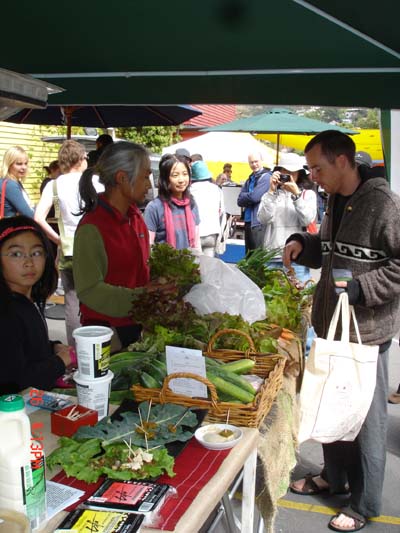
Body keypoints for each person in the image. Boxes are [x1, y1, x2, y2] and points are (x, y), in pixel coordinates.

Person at [284, 130, 400, 532]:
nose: (312, 175)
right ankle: (334, 479)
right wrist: (303, 243)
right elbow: (331, 249)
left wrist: (363, 289)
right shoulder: (335, 198)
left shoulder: (384, 204)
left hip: (367, 331)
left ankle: (364, 503)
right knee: (330, 407)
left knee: (366, 422)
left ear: (343, 161)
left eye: (317, 167)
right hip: (332, 325)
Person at [73, 141, 153, 350]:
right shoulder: (92, 227)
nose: (150, 185)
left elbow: (142, 270)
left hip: (137, 324)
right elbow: (90, 290)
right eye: (145, 176)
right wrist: (144, 297)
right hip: (107, 333)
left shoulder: (136, 218)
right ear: (122, 178)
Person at [0, 216, 75, 394]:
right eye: (16, 254)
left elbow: (23, 345)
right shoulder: (6, 312)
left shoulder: (24, 301)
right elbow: (17, 381)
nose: (29, 262)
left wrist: (53, 347)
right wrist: (61, 360)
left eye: (36, 253)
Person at [34, 140, 96, 346]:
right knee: (97, 297)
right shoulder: (94, 181)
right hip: (95, 247)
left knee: (72, 301)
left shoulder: (53, 185)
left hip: (68, 248)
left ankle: (75, 352)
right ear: (80, 159)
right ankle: (96, 345)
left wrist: (58, 239)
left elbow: (38, 217)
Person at [257, 152, 317, 282]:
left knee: (298, 297)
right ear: (278, 172)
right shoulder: (270, 194)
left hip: (296, 257)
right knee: (272, 299)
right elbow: (263, 218)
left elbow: (307, 219)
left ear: (299, 174)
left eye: (292, 172)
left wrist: (296, 195)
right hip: (271, 256)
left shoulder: (308, 195)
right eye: (284, 171)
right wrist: (272, 191)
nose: (288, 175)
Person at [144, 153, 201, 251]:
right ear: (165, 178)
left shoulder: (192, 204)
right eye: (175, 175)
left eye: (185, 174)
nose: (181, 180)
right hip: (164, 265)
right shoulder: (154, 207)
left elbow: (196, 242)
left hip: (189, 263)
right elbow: (148, 246)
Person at [237, 152, 271, 253]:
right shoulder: (250, 178)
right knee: (248, 256)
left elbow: (255, 197)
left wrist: (247, 196)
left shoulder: (266, 177)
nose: (254, 164)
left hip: (259, 222)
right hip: (248, 221)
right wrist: (250, 196)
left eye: (256, 161)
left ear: (262, 161)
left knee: (256, 257)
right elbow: (239, 200)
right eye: (251, 162)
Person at [190, 160, 224, 257]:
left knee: (196, 267)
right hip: (212, 233)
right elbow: (221, 211)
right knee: (209, 266)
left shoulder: (190, 190)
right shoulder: (216, 189)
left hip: (196, 233)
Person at [0, 146, 34, 218]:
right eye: (19, 164)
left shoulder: (13, 181)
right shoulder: (10, 184)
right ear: (8, 165)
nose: (24, 167)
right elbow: (29, 215)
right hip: (13, 227)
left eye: (26, 163)